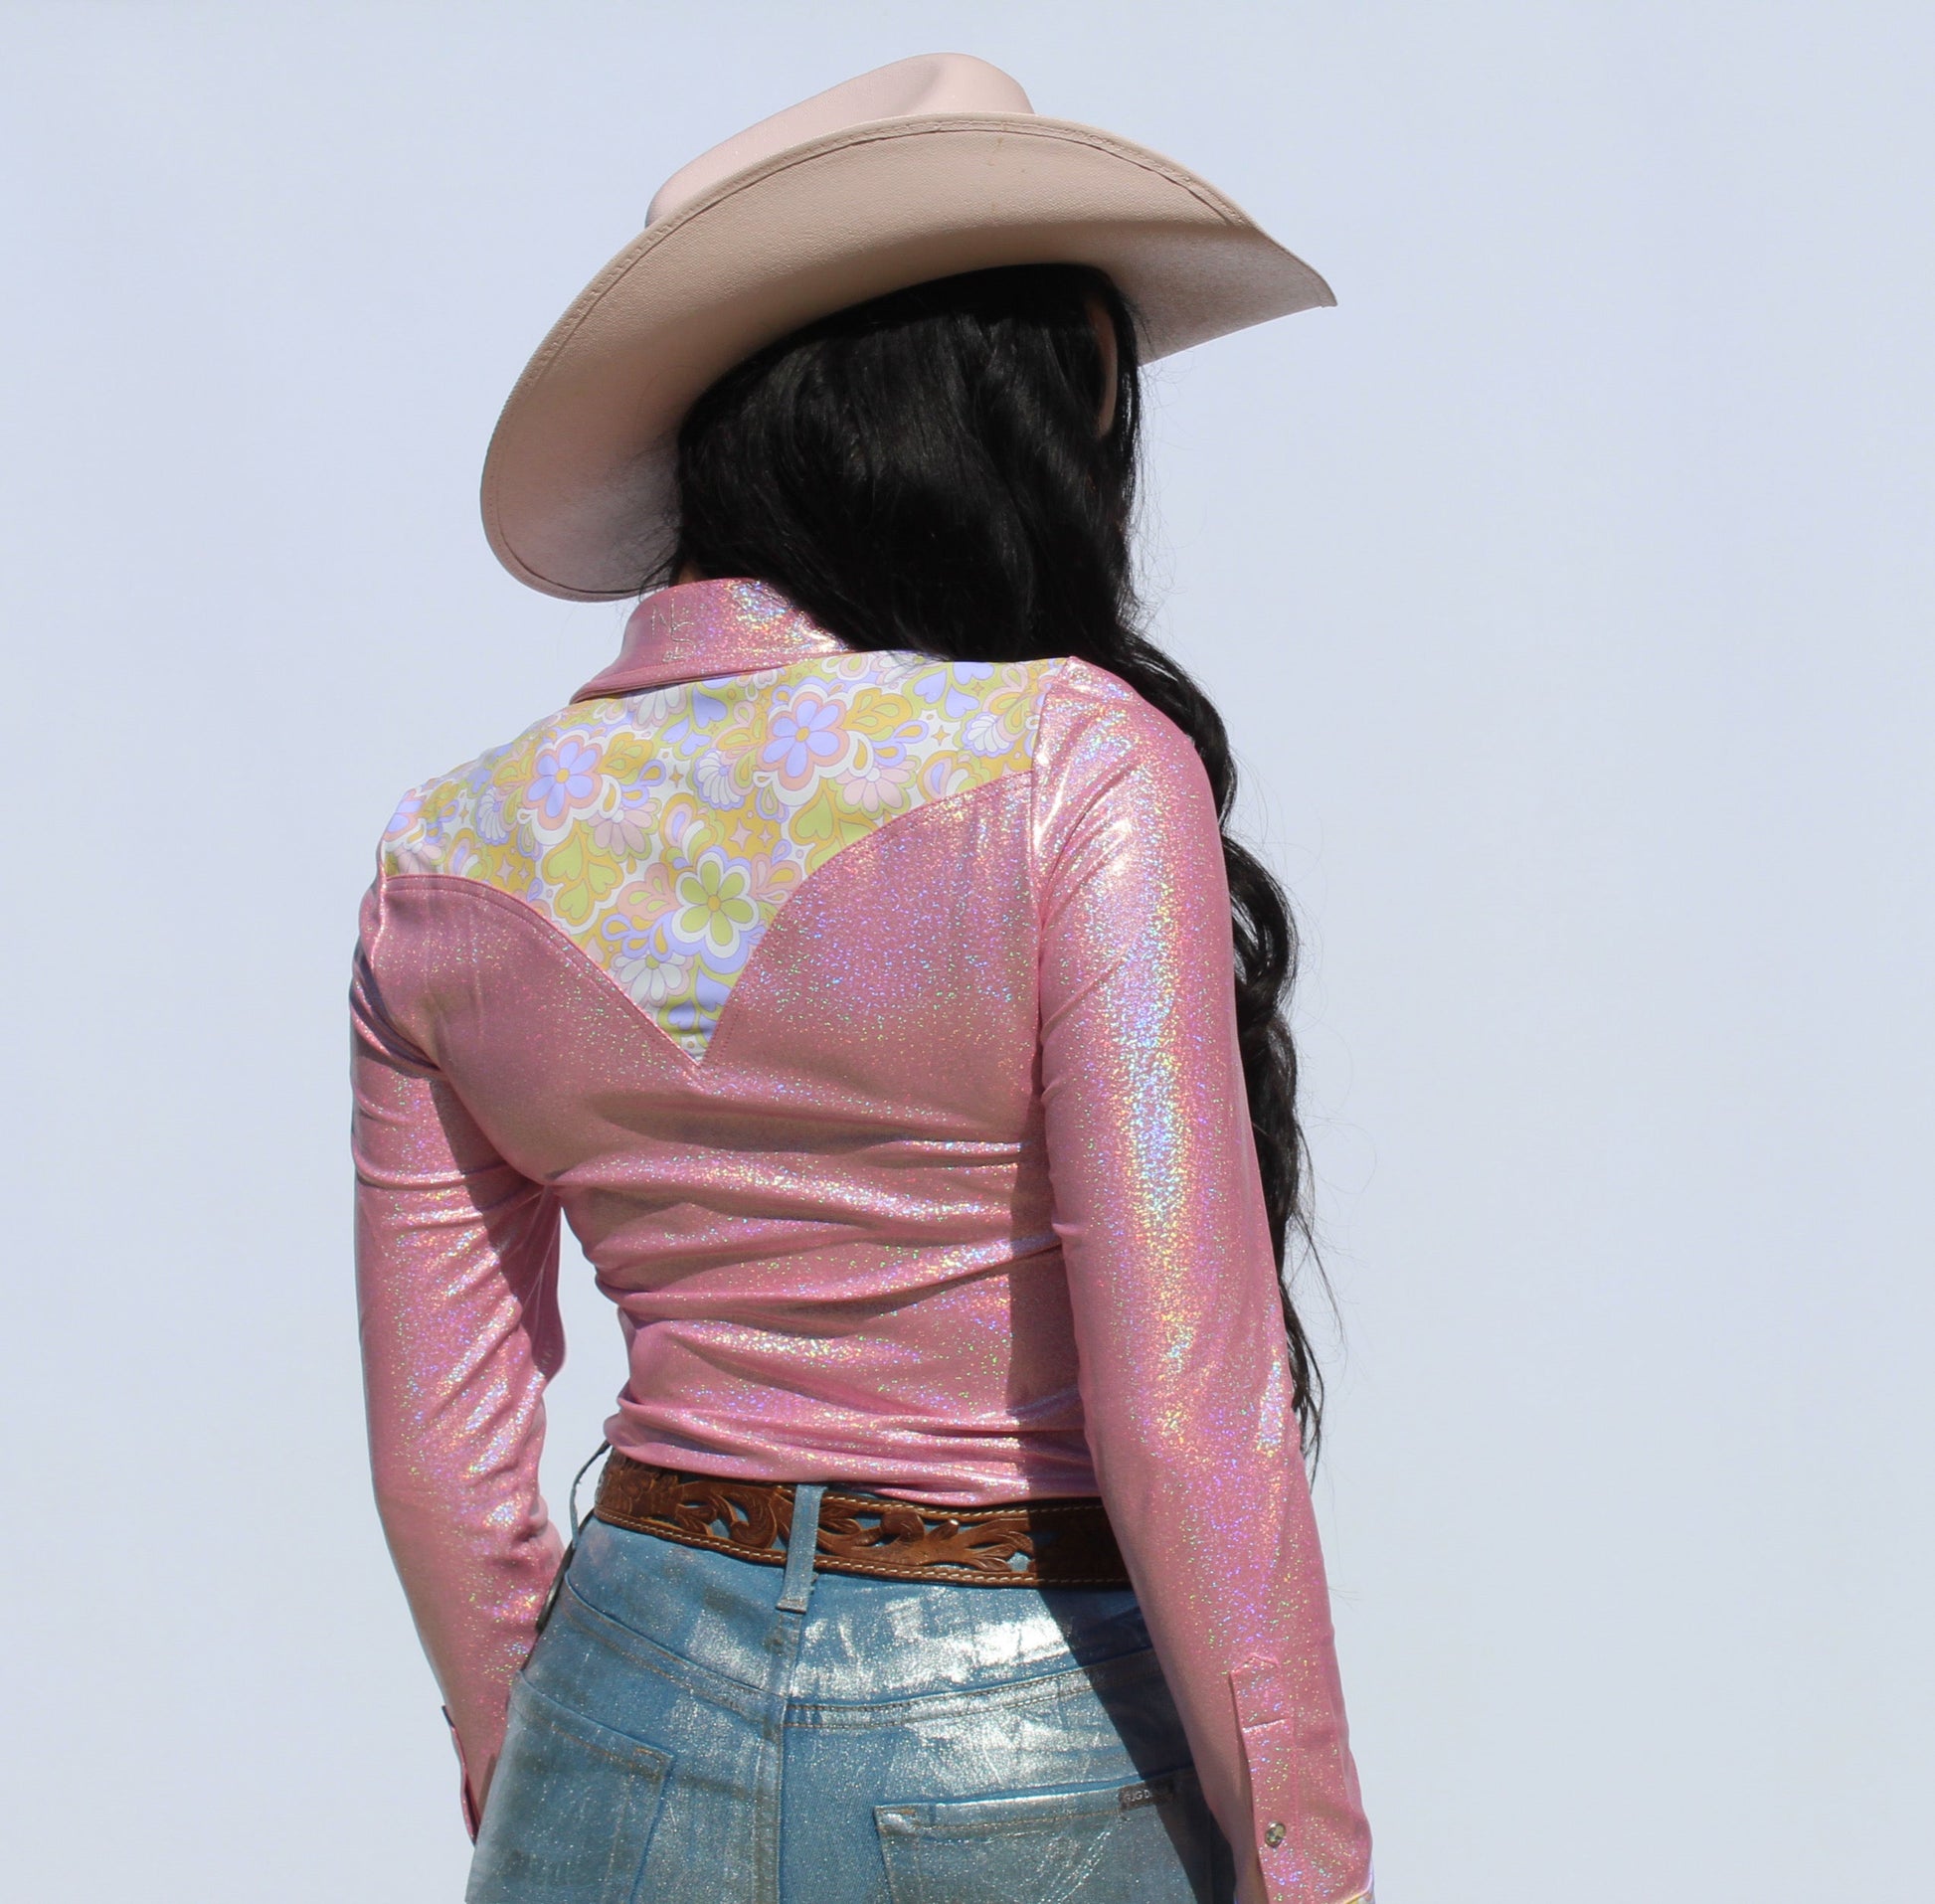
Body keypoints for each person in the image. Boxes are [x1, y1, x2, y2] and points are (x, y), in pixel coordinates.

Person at [352, 52, 1373, 1904]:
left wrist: (550, 1773)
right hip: (1026, 1737)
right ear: (1021, 407)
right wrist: (1313, 1867)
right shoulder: (1071, 767)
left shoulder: (447, 852)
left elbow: (444, 1463)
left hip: (612, 1712)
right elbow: (1181, 1409)